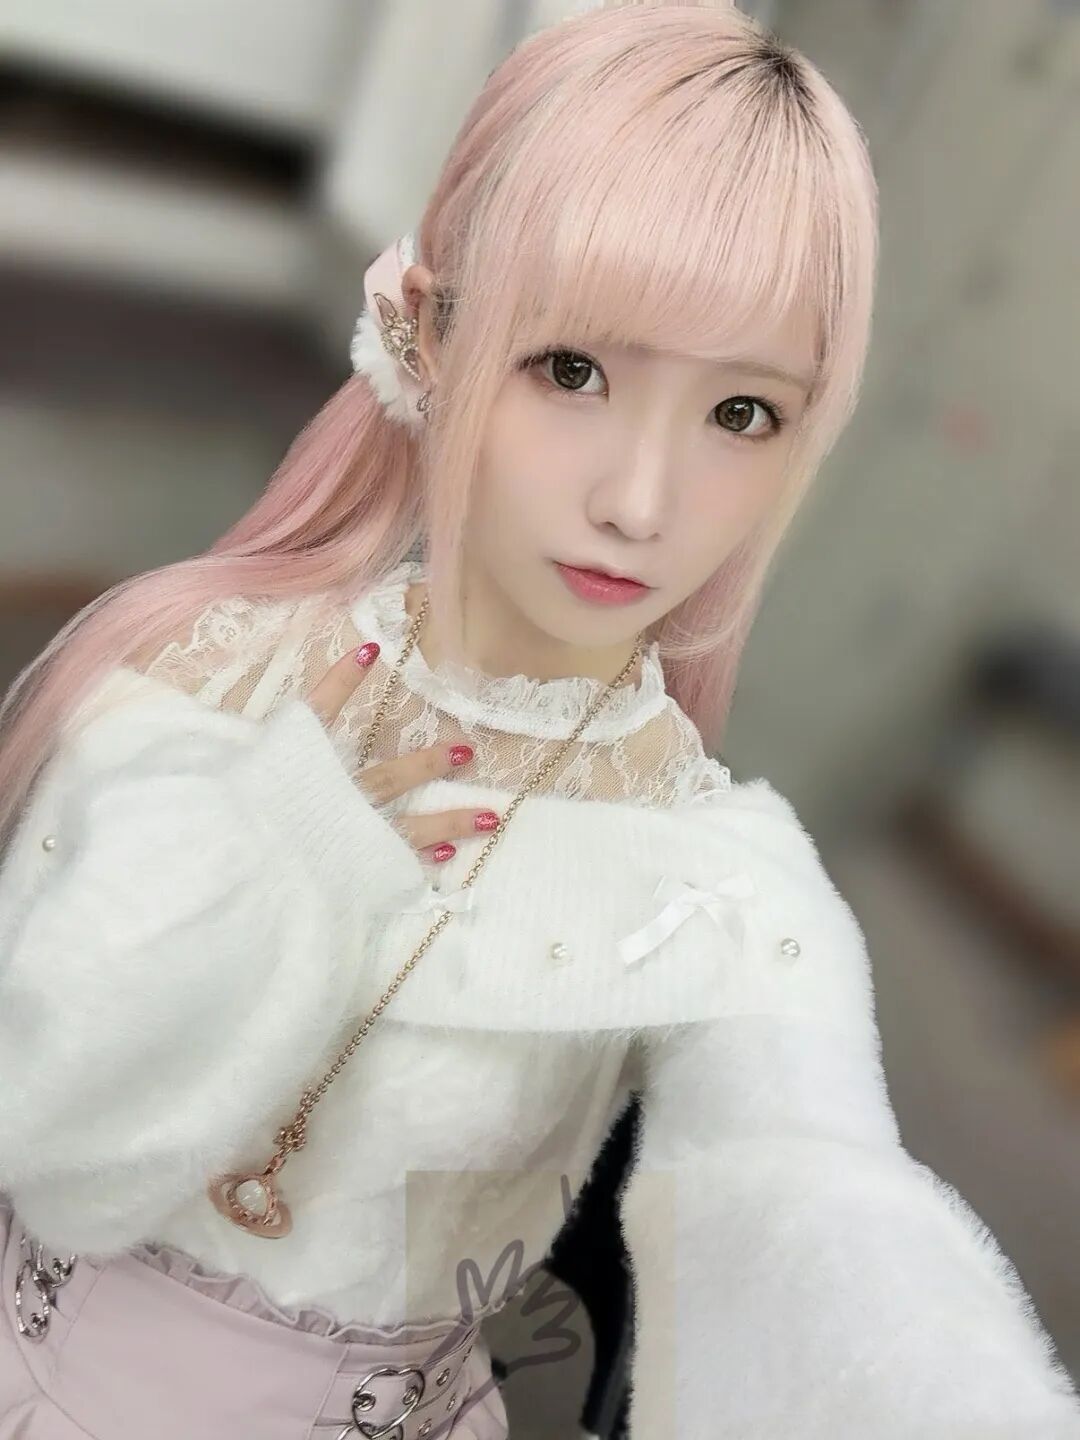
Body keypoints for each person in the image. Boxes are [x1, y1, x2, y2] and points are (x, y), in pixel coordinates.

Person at [1, 3, 1078, 1437]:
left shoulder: (714, 863)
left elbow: (810, 1209)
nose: (641, 500)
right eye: (575, 370)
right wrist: (283, 840)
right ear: (433, 335)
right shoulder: (209, 672)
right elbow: (51, 1138)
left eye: (743, 415)